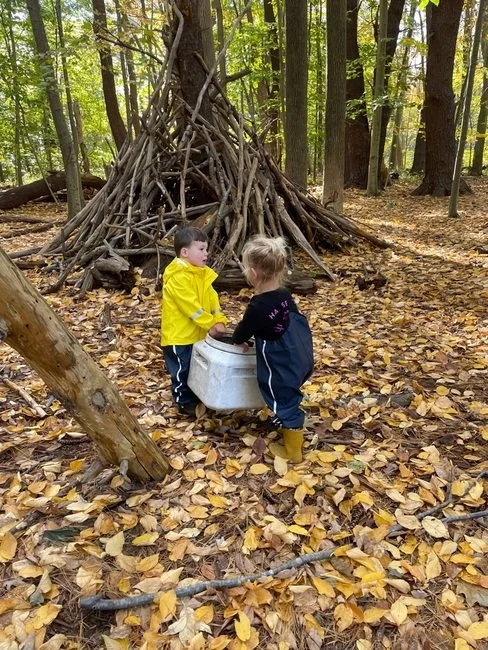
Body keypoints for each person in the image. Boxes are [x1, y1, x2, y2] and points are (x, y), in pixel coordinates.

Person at [232, 236, 313, 462]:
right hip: (299, 353)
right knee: (287, 392)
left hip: (280, 360)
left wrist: (237, 340)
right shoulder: (285, 295)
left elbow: (242, 332)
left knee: (283, 397)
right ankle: (284, 421)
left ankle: (293, 452)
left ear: (253, 274)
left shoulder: (257, 306)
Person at [161, 227, 227, 416]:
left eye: (206, 249)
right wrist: (211, 325)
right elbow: (191, 306)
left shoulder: (203, 275)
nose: (206, 253)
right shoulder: (177, 278)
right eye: (201, 249)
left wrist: (219, 320)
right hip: (179, 337)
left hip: (197, 336)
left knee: (197, 368)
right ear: (185, 252)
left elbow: (213, 301)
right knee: (182, 370)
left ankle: (198, 398)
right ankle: (184, 403)